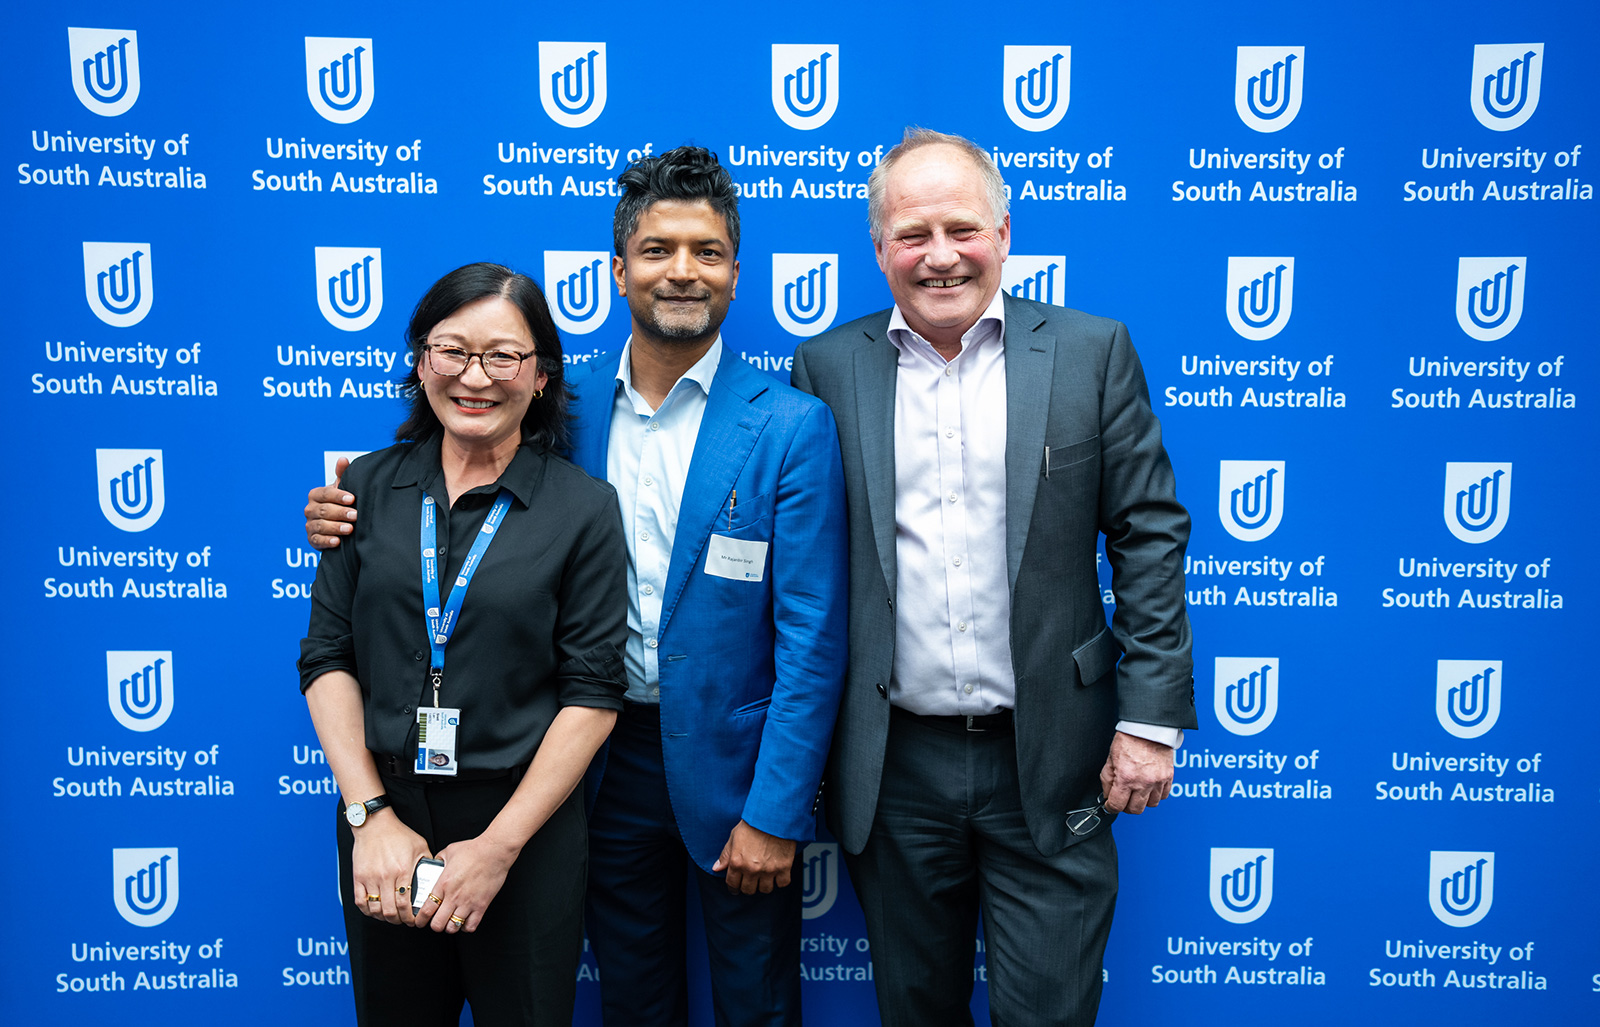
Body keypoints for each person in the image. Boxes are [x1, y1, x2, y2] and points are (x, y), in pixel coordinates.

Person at [305, 147, 849, 1027]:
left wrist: (778, 808)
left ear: (737, 275)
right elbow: (450, 483)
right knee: (633, 997)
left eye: (707, 252)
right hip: (596, 757)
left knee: (757, 1002)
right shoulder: (558, 405)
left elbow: (814, 637)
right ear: (618, 271)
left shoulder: (790, 424)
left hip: (736, 766)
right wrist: (344, 511)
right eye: (657, 249)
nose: (683, 270)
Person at [790, 128, 1197, 1026]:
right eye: (912, 234)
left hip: (1055, 754)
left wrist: (1150, 718)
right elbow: (805, 571)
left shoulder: (1092, 352)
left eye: (962, 229)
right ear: (880, 248)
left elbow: (1148, 534)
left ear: (1004, 233)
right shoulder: (826, 367)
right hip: (894, 767)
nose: (940, 256)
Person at [297, 263, 628, 1026]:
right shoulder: (363, 487)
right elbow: (327, 657)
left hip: (523, 828)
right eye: (452, 350)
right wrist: (370, 817)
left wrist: (498, 847)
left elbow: (592, 693)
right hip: (384, 818)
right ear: (421, 362)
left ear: (541, 376)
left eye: (504, 356)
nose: (475, 377)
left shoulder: (583, 509)